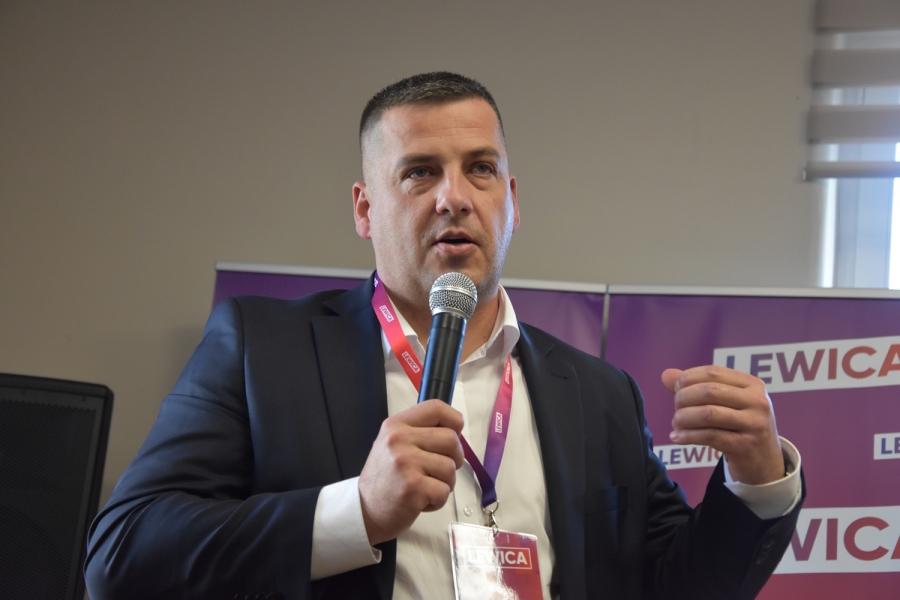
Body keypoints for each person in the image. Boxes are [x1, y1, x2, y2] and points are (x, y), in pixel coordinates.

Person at [84, 72, 804, 600]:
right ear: (365, 209)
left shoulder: (599, 392)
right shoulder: (261, 348)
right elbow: (123, 554)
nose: (454, 196)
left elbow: (677, 585)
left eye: (480, 170)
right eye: (420, 172)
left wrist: (756, 479)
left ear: (510, 200)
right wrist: (356, 511)